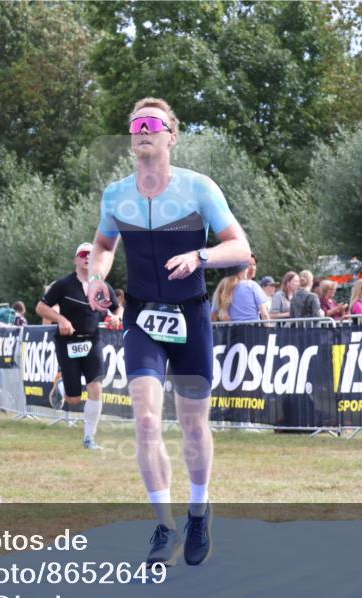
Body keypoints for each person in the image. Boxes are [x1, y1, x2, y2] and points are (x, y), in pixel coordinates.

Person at [87, 97, 250, 567]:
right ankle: (164, 524)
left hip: (192, 317)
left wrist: (199, 257)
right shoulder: (116, 195)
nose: (142, 130)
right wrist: (96, 279)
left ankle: (198, 511)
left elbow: (239, 247)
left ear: (171, 136)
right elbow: (102, 245)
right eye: (135, 123)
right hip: (142, 318)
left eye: (152, 124)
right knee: (143, 420)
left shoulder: (199, 189)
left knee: (195, 425)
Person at [36, 242, 122, 450]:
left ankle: (89, 437)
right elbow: (40, 307)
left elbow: (119, 310)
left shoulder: (102, 286)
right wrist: (61, 320)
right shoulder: (64, 285)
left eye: (91, 254)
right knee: (73, 399)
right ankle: (63, 383)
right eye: (83, 254)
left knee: (96, 387)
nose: (87, 257)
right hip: (68, 343)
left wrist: (115, 319)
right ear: (76, 259)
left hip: (92, 341)